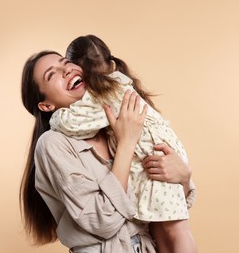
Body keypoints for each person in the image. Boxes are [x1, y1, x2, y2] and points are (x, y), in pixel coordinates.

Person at [20, 50, 196, 253]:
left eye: (66, 62)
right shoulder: (53, 144)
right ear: (46, 105)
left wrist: (183, 177)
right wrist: (126, 143)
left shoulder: (114, 122)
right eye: (52, 74)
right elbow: (102, 222)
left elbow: (161, 203)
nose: (66, 70)